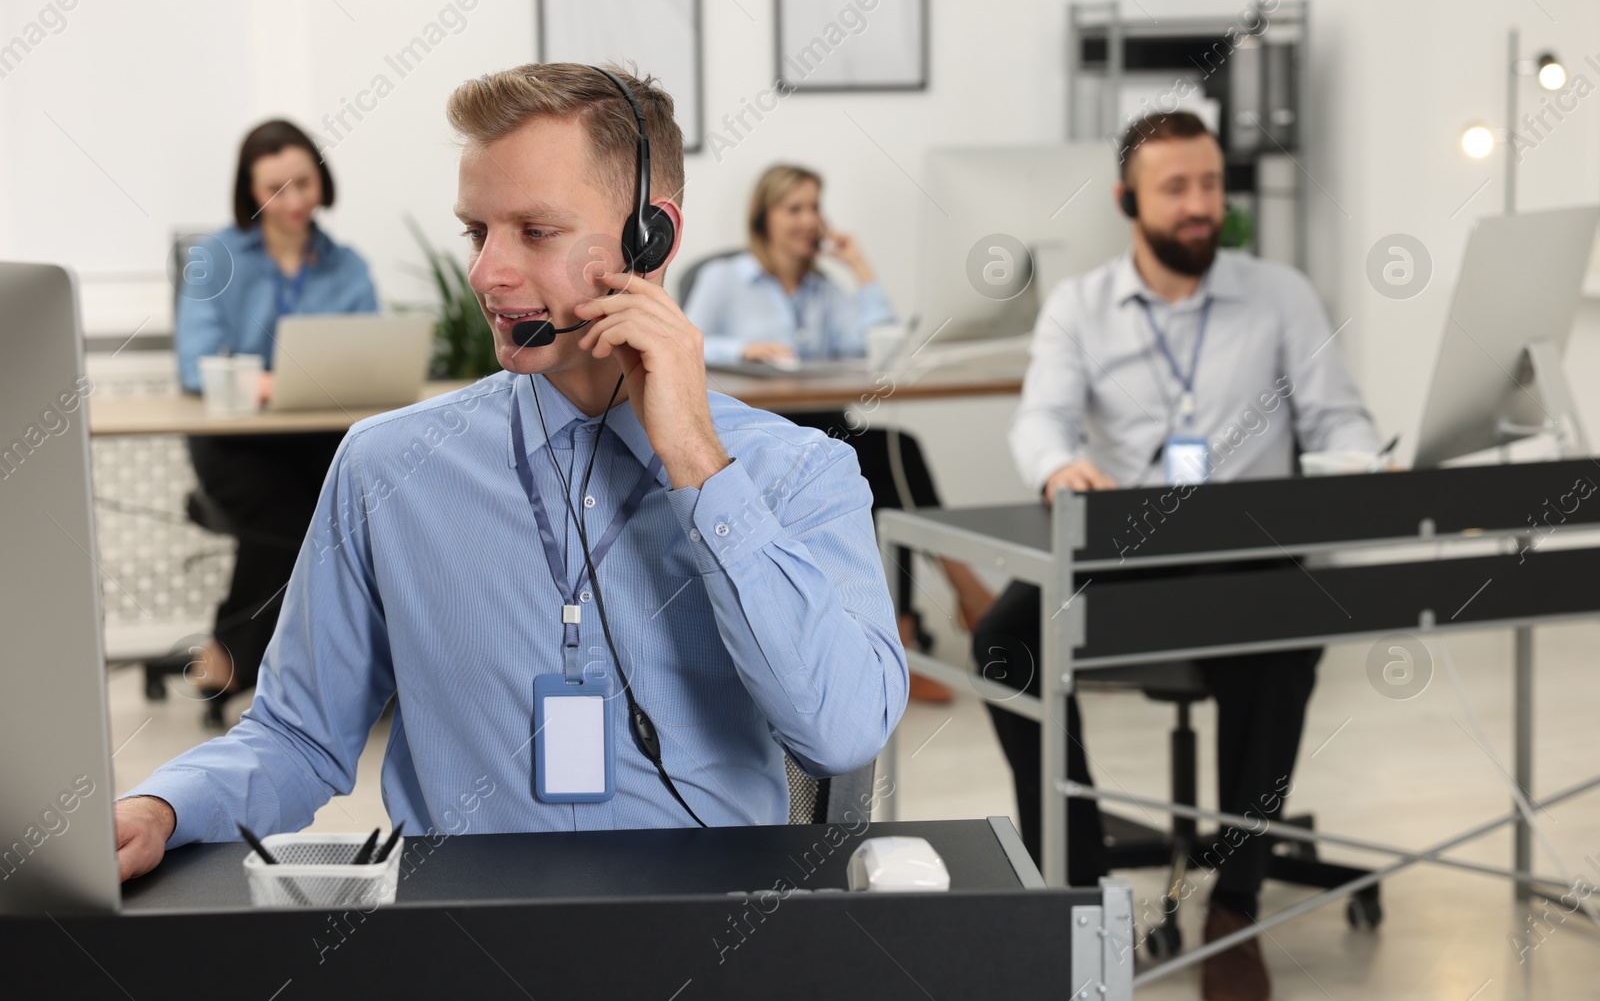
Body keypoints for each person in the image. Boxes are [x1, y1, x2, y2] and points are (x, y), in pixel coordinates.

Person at [113, 64, 907, 882]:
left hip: (700, 941)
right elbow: (298, 735)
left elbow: (842, 733)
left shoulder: (797, 472)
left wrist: (702, 466)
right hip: (463, 942)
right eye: (475, 232)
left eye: (535, 231)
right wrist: (162, 805)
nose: (486, 274)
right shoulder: (384, 468)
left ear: (652, 238)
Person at [973, 111, 1381, 1001]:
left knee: (1281, 636)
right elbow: (1040, 417)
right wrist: (1056, 466)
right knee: (1006, 639)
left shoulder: (1281, 294)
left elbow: (1336, 414)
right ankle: (1081, 887)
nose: (1201, 206)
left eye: (1210, 185)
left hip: (1248, 539)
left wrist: (1355, 457)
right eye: (1176, 188)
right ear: (1129, 200)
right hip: (1125, 537)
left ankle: (1235, 903)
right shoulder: (1080, 304)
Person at [684, 165, 994, 702]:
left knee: (896, 454)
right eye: (794, 208)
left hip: (826, 427)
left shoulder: (825, 291)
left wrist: (861, 268)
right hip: (757, 435)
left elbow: (884, 351)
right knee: (868, 466)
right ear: (764, 218)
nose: (809, 220)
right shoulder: (725, 279)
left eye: (815, 208)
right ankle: (950, 605)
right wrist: (743, 350)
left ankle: (905, 630)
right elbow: (681, 340)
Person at [173, 120, 378, 708]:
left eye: (303, 184)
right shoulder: (215, 258)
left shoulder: (349, 266)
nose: (292, 202)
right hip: (235, 439)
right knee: (292, 516)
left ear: (322, 182)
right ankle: (241, 659)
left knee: (360, 505)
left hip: (316, 434)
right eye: (274, 188)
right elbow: (195, 363)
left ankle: (285, 660)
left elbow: (369, 354)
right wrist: (263, 380)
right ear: (249, 191)